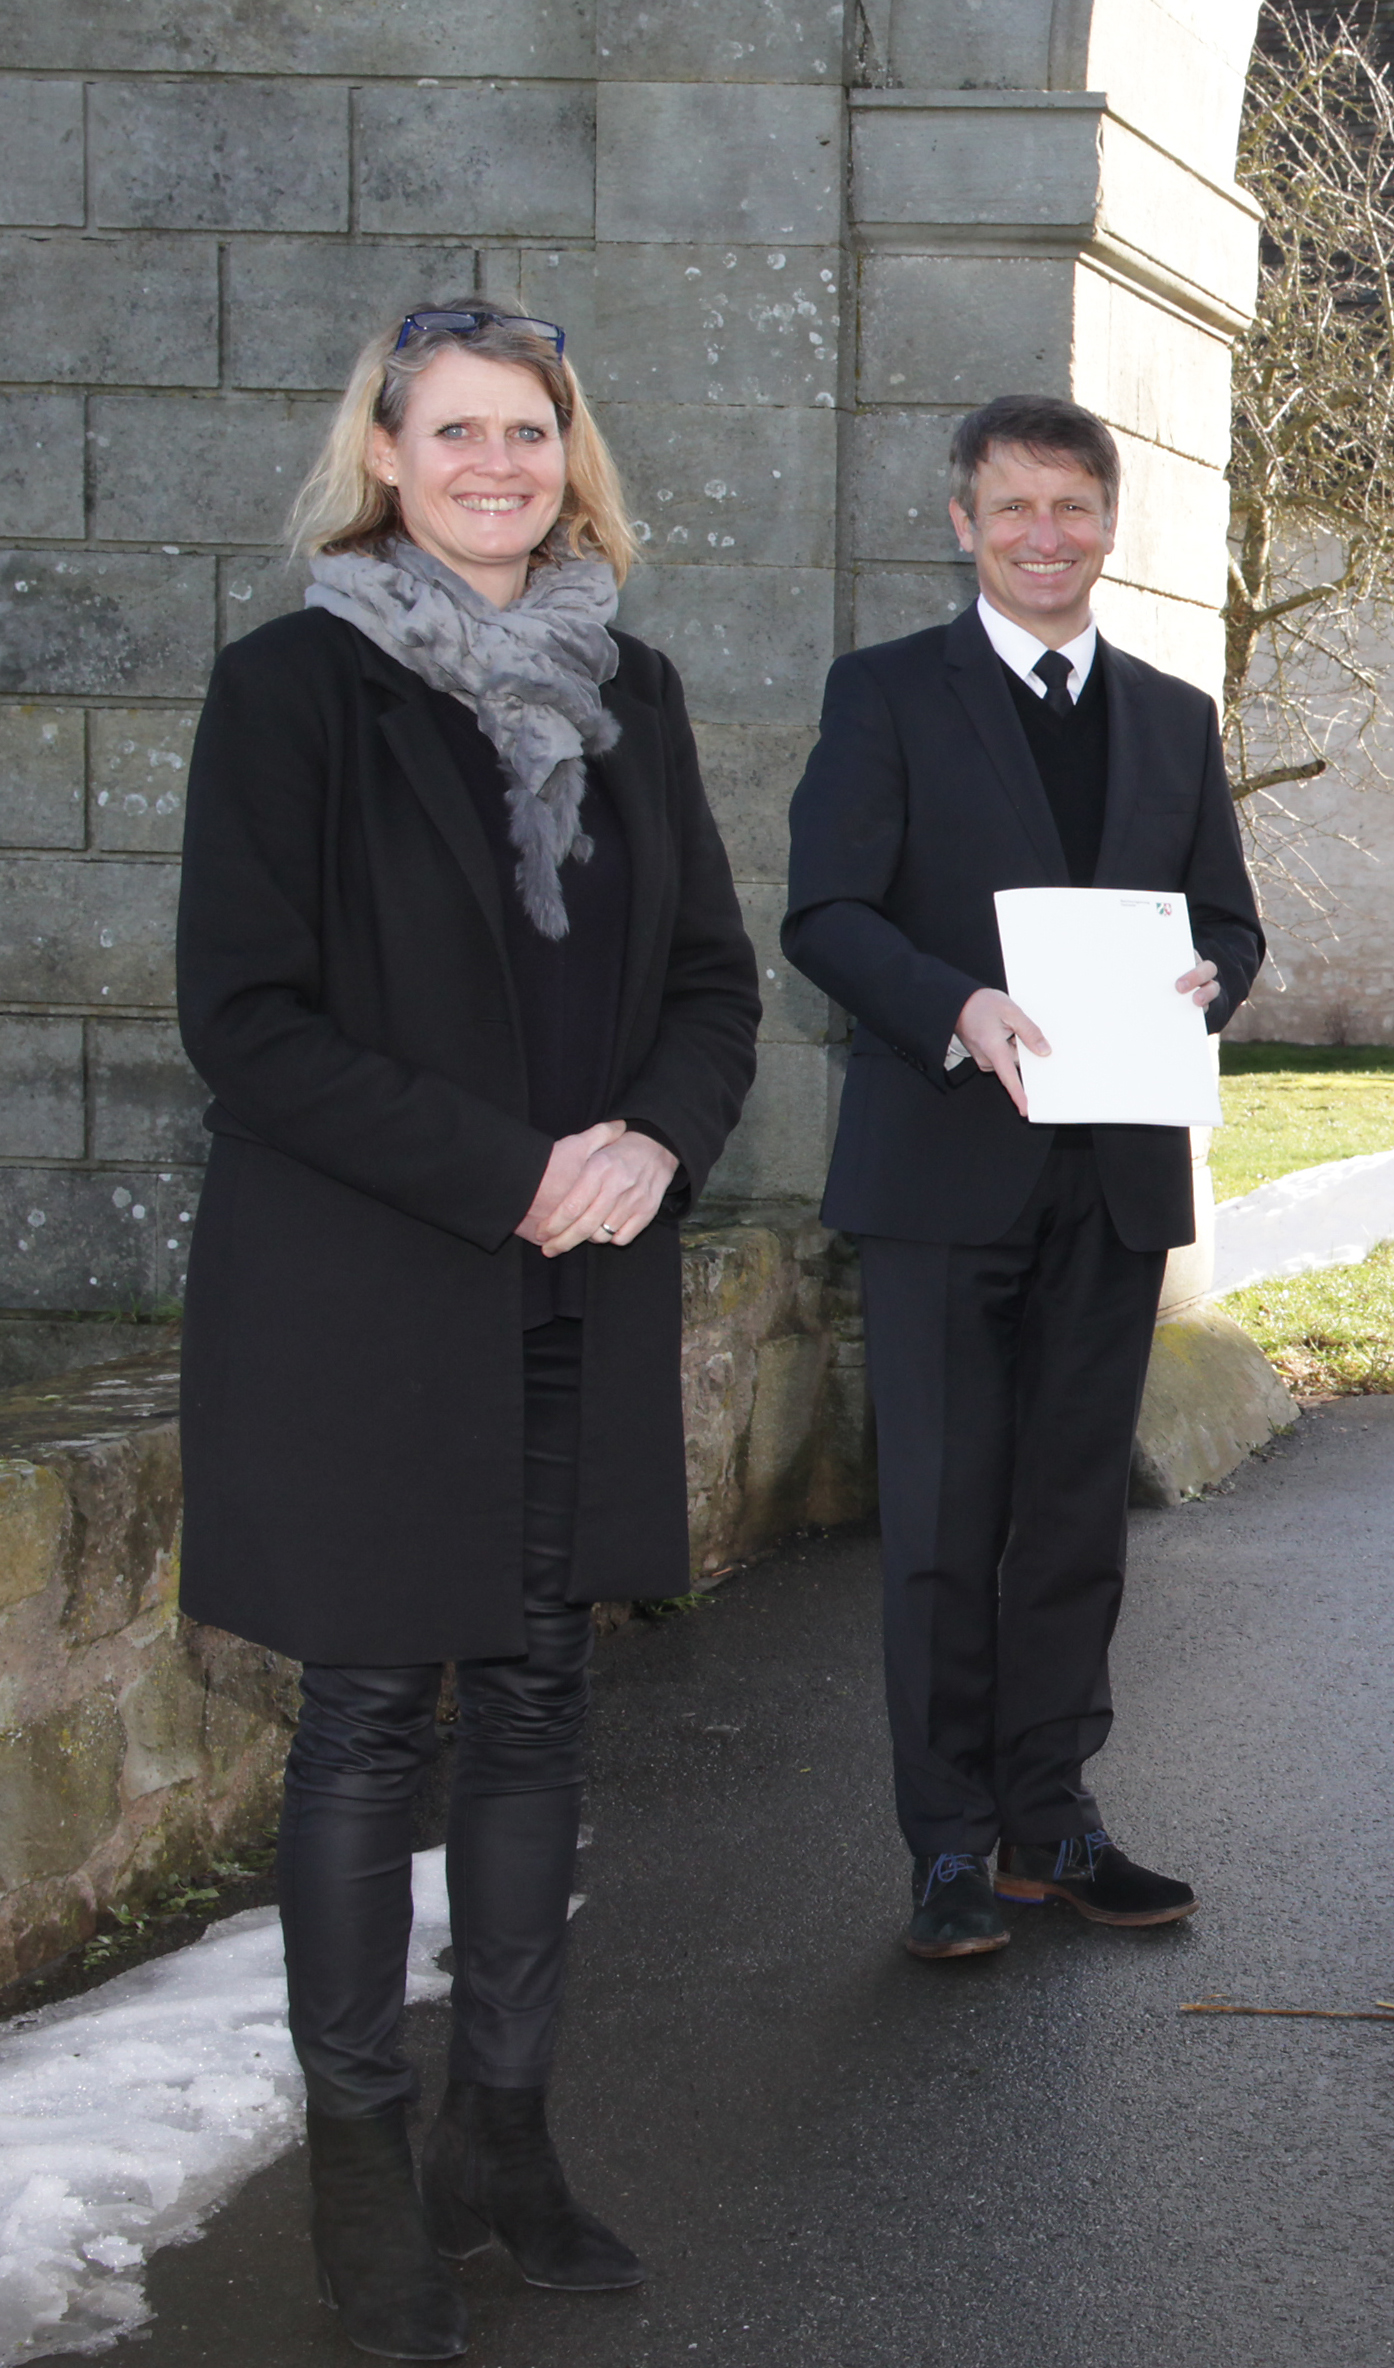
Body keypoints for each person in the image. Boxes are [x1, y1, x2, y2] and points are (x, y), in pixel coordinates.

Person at [177, 303, 761, 2358]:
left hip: (578, 1283)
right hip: (368, 1289)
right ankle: (362, 2179)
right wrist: (509, 1168)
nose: (498, 465)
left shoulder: (633, 689)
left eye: (530, 432)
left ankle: (499, 2140)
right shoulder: (295, 688)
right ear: (386, 453)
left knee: (535, 1700)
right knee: (367, 1717)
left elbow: (713, 981)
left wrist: (655, 1141)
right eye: (456, 432)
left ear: (569, 457)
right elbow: (245, 1020)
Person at [784, 395, 1263, 1959]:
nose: (1043, 537)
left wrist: (1210, 976)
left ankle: (1051, 1820)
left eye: (1071, 508)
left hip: (1112, 1177)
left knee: (1071, 1521)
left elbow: (1228, 921)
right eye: (1013, 509)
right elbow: (827, 912)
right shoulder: (884, 696)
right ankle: (945, 1846)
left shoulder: (1173, 718)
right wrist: (954, 1008)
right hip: (942, 1170)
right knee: (940, 1523)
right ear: (963, 524)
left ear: (1109, 525)